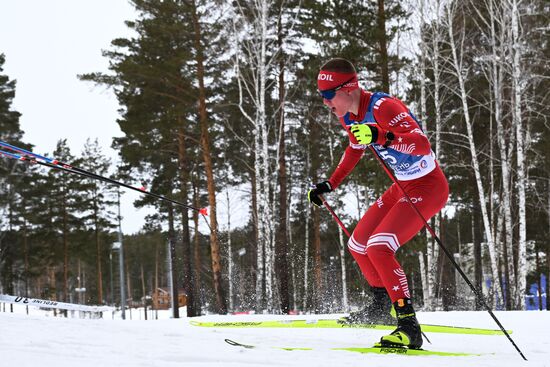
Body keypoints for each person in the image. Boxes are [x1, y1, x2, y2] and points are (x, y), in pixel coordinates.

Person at [307, 58, 449, 349]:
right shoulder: (348, 117)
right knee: (358, 244)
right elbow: (354, 149)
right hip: (402, 186)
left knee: (380, 247)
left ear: (348, 89)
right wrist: (330, 184)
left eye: (328, 95)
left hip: (428, 186)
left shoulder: (384, 107)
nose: (326, 103)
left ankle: (408, 325)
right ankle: (380, 305)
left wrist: (381, 135)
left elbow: (422, 144)